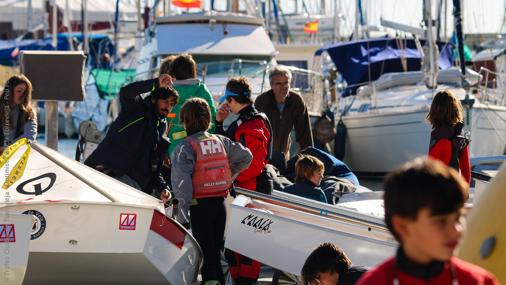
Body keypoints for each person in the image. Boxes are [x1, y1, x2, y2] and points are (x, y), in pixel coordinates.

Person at [357, 158, 499, 285]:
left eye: (458, 218)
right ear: (402, 226)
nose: (457, 230)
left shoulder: (480, 281)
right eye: (441, 222)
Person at [171, 98, 252, 285]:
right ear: (208, 120)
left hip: (200, 208)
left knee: (206, 259)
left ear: (185, 121)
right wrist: (228, 175)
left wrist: (181, 219)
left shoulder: (185, 147)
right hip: (220, 205)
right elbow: (246, 157)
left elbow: (182, 187)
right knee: (215, 255)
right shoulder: (221, 141)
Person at [215, 77, 271, 284]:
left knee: (247, 246)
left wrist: (229, 178)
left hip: (250, 190)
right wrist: (219, 123)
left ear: (231, 99)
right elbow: (224, 149)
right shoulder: (245, 121)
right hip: (241, 189)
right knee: (234, 244)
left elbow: (253, 165)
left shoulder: (253, 123)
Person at [84, 74, 176, 201]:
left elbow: (152, 164)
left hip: (131, 186)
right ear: (154, 99)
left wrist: (163, 188)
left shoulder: (161, 127)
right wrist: (155, 83)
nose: (168, 107)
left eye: (172, 104)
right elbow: (126, 92)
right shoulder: (136, 108)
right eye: (165, 101)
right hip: (106, 172)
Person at [255, 65, 313, 162]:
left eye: (286, 83)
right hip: (264, 156)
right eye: (279, 84)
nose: (284, 87)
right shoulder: (262, 101)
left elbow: (305, 134)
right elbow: (255, 131)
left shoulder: (296, 100)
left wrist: (309, 160)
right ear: (271, 85)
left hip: (284, 153)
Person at [167, 53, 217, 155]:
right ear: (193, 72)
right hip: (201, 149)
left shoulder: (167, 92)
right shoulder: (202, 90)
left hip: (173, 151)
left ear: (173, 74)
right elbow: (212, 121)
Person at [427, 90, 471, 183]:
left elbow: (430, 166)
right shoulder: (460, 136)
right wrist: (464, 189)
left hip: (438, 189)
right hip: (453, 187)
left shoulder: (437, 134)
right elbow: (465, 170)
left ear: (434, 110)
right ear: (456, 110)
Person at [0, 74, 37, 152]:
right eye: (19, 91)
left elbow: (29, 137)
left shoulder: (29, 113)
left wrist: (7, 148)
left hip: (16, 157)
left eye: (25, 92)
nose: (23, 95)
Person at [301, 242, 367, 285]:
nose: (320, 284)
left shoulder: (348, 280)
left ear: (330, 267)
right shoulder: (356, 273)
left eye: (318, 277)